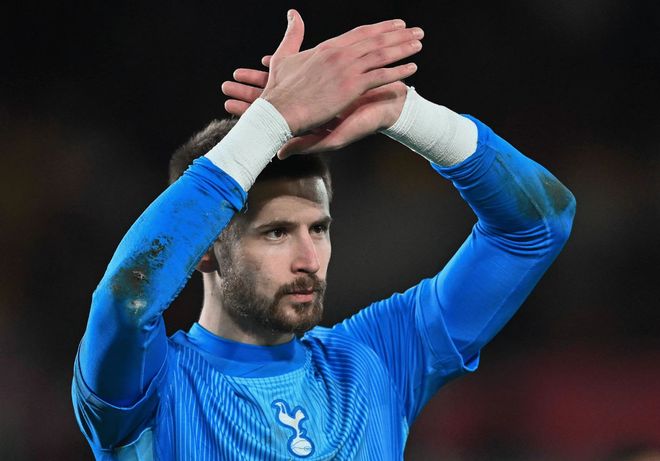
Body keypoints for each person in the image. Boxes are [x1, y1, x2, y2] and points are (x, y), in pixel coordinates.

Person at [72, 9, 576, 460]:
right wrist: (271, 122)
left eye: (318, 228)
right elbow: (127, 300)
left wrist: (407, 114)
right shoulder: (149, 388)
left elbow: (538, 225)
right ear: (205, 250)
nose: (309, 259)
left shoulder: (376, 360)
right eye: (276, 233)